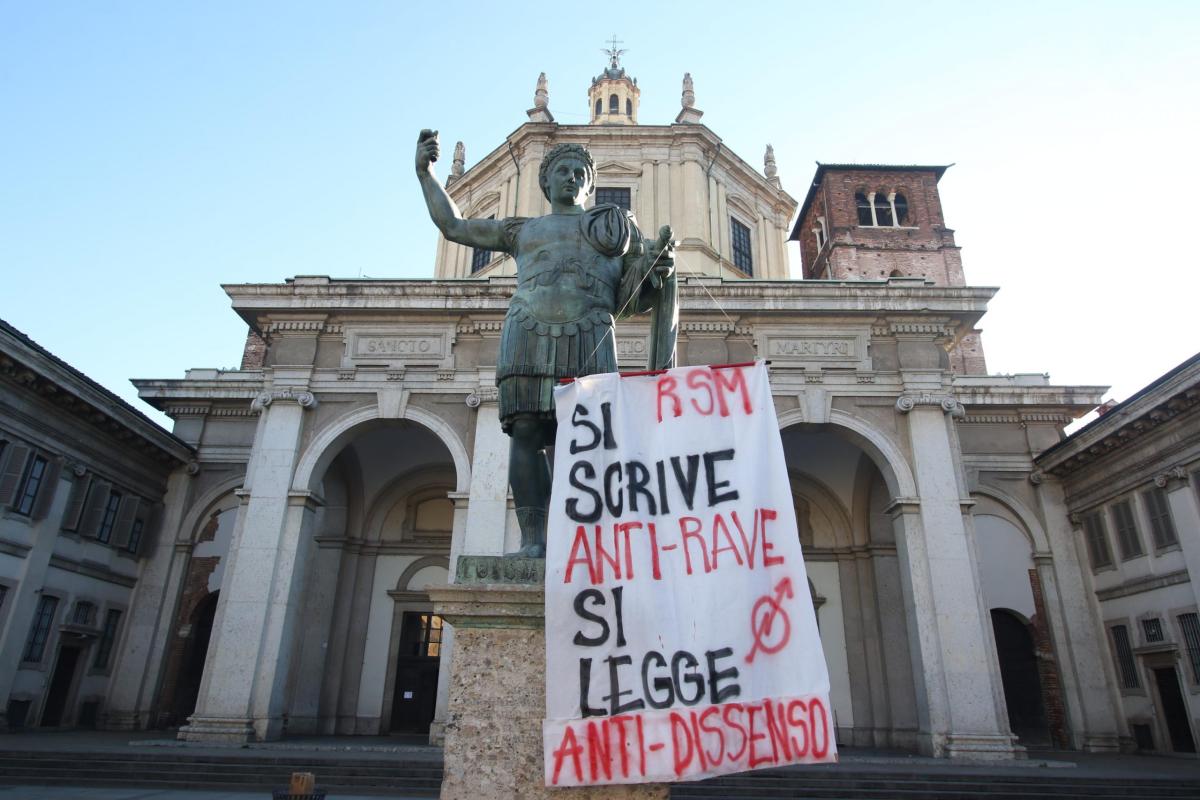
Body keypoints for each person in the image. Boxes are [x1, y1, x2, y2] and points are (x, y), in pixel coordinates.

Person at [415, 129, 676, 557]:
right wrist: (426, 174)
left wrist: (655, 268)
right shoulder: (523, 230)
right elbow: (453, 226)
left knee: (592, 438)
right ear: (546, 182)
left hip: (590, 331)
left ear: (591, 185)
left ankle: (586, 541)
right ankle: (533, 540)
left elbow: (632, 297)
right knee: (526, 431)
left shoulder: (612, 228)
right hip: (528, 330)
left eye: (580, 173)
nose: (571, 178)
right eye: (562, 172)